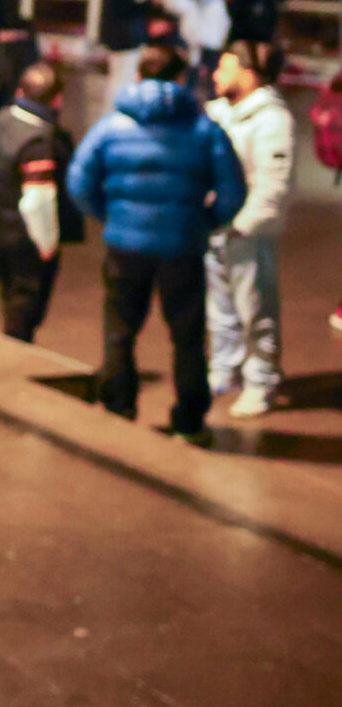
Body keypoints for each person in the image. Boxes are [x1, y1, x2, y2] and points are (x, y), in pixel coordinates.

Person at [66, 46, 248, 444]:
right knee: (187, 337)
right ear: (182, 79)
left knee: (119, 329)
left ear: (138, 78)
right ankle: (188, 420)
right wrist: (204, 223)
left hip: (124, 245)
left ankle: (118, 405)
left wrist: (110, 216)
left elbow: (79, 183)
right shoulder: (204, 129)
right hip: (182, 246)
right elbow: (234, 191)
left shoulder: (111, 126)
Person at [205, 40, 293, 418]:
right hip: (214, 230)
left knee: (255, 309)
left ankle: (261, 379)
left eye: (225, 67)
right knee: (220, 309)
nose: (215, 74)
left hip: (246, 235)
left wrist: (241, 227)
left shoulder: (272, 120)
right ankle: (224, 369)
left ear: (249, 72)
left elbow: (273, 186)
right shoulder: (217, 113)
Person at [0, 63, 77, 344]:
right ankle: (17, 355)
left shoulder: (2, 120)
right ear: (57, 99)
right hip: (27, 238)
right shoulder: (39, 141)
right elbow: (38, 201)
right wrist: (47, 242)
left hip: (1, 227)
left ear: (21, 91)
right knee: (25, 306)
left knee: (9, 295)